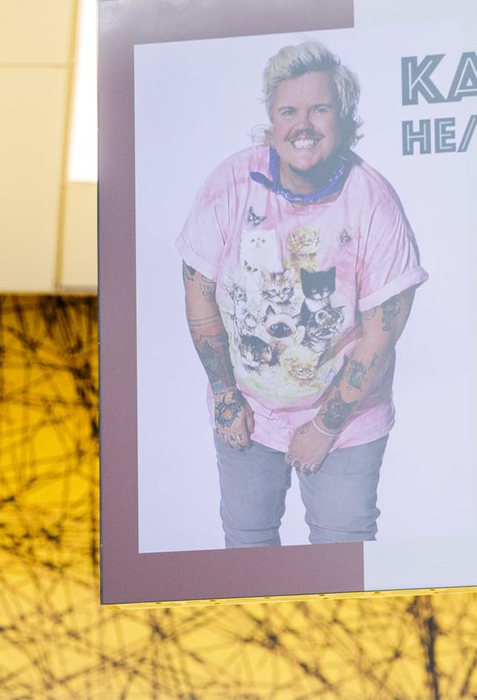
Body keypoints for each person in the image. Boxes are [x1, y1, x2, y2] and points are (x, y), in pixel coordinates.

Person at [178, 40, 427, 546]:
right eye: (289, 110)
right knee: (247, 549)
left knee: (343, 554)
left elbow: (382, 334)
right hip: (247, 411)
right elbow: (199, 293)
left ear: (343, 117)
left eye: (320, 109)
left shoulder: (372, 201)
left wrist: (325, 427)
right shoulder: (230, 184)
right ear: (271, 120)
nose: (303, 124)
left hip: (347, 421)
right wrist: (226, 397)